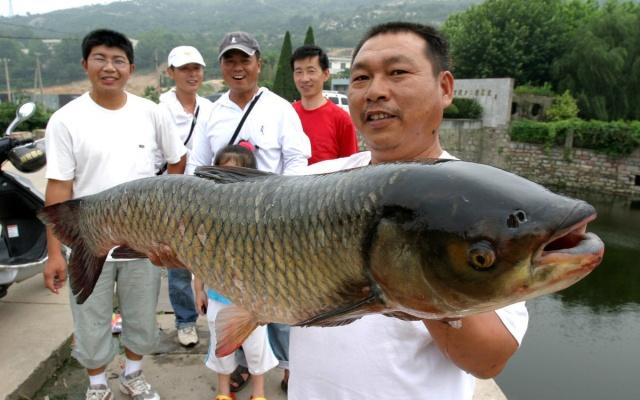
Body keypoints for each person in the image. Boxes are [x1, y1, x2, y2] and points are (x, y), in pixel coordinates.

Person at [287, 22, 529, 400]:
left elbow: (488, 359)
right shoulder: (309, 183)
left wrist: (418, 285)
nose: (376, 91)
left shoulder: (479, 206)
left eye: (397, 73)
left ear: (445, 87)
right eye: (361, 78)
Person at [43, 29, 187, 400]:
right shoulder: (65, 120)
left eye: (118, 60)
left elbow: (178, 161)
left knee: (142, 312)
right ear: (85, 65)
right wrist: (55, 253)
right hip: (88, 241)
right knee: (89, 315)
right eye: (100, 59)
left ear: (130, 68)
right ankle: (97, 383)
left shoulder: (151, 113)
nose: (110, 68)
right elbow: (58, 191)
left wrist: (164, 216)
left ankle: (133, 375)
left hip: (142, 242)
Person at [187, 30, 311, 393]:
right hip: (227, 228)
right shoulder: (212, 112)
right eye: (230, 60)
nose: (238, 67)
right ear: (222, 66)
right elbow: (197, 165)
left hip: (274, 224)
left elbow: (296, 160)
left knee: (284, 297)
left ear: (259, 63)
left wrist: (287, 210)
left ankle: (288, 366)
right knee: (233, 296)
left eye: (245, 60)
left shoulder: (279, 109)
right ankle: (240, 365)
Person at [193, 141, 278, 400]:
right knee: (221, 348)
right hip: (218, 297)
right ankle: (223, 391)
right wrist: (198, 289)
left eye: (237, 172)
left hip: (253, 300)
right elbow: (197, 257)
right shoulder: (205, 212)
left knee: (257, 349)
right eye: (223, 171)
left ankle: (259, 393)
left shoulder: (260, 213)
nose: (229, 178)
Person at [158, 45, 214, 348]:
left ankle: (218, 313)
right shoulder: (159, 110)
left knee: (211, 259)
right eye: (184, 69)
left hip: (206, 200)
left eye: (196, 68)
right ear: (171, 73)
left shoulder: (210, 108)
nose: (192, 74)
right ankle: (185, 321)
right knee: (178, 265)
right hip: (173, 201)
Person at [290, 45, 358, 164]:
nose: (304, 78)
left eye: (311, 71)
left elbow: (351, 168)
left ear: (326, 74)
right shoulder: (286, 115)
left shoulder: (341, 119)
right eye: (299, 72)